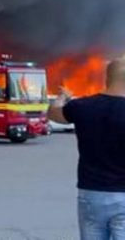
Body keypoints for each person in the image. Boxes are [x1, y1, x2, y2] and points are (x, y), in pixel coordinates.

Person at [49, 58, 125, 239]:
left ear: (107, 78)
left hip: (91, 193)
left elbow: (54, 113)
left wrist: (63, 97)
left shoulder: (83, 106)